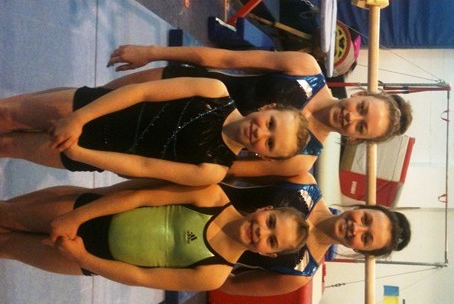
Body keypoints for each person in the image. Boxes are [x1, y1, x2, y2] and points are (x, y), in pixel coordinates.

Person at [105, 45, 413, 175]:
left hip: (170, 144)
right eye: (361, 108)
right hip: (180, 87)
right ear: (360, 94)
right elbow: (225, 59)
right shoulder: (305, 69)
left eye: (361, 126)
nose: (351, 116)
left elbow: (226, 170)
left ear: (357, 139)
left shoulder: (302, 159)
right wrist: (153, 52)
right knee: (90, 100)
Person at [0, 77, 308, 186]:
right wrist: (80, 117)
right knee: (9, 114)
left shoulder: (213, 170)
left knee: (10, 147)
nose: (261, 133)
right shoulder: (215, 91)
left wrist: (82, 154)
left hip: (94, 150)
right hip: (95, 108)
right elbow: (141, 92)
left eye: (270, 143)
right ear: (268, 107)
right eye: (271, 123)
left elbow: (143, 166)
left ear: (265, 157)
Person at [0, 183, 308, 291]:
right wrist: (76, 217)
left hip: (92, 257)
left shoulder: (214, 275)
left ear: (267, 254)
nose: (261, 231)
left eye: (271, 240)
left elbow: (141, 277)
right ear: (265, 209)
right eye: (270, 222)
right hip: (91, 213)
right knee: (8, 215)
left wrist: (83, 258)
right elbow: (140, 197)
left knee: (8, 246)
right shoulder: (212, 196)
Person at [216, 170, 411, 295]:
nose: (356, 228)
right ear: (361, 207)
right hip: (203, 197)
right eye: (365, 219)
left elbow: (231, 285)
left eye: (365, 238)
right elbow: (235, 172)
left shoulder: (298, 274)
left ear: (360, 251)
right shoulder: (302, 183)